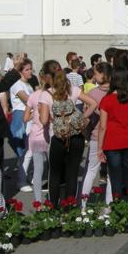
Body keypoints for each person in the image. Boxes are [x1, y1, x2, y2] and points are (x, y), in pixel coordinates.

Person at [44, 64, 97, 206]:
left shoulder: (48, 93)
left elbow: (43, 119)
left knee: (54, 174)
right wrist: (83, 119)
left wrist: (53, 119)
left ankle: (53, 205)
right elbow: (93, 103)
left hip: (58, 137)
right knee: (72, 173)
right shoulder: (74, 90)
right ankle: (70, 205)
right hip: (75, 136)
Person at [98, 67, 128, 198]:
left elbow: (103, 127)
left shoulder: (106, 100)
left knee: (115, 177)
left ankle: (117, 209)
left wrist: (100, 148)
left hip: (112, 142)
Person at [81, 62, 113, 207]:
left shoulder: (92, 93)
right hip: (113, 136)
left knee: (91, 170)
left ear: (103, 74)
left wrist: (82, 132)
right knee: (110, 174)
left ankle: (83, 204)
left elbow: (85, 116)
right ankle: (108, 207)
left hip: (95, 135)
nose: (94, 76)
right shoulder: (117, 93)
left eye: (97, 73)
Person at [24, 66, 53, 203]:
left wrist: (34, 115)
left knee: (37, 169)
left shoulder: (33, 96)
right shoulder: (50, 94)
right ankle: (52, 197)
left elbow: (25, 117)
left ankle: (37, 201)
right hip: (49, 133)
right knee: (52, 167)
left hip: (36, 134)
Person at [9, 60, 34, 192]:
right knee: (23, 152)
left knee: (31, 149)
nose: (30, 71)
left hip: (30, 117)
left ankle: (28, 176)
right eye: (27, 69)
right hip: (21, 117)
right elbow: (28, 100)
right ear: (20, 72)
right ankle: (21, 180)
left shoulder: (28, 85)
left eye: (30, 69)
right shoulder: (17, 85)